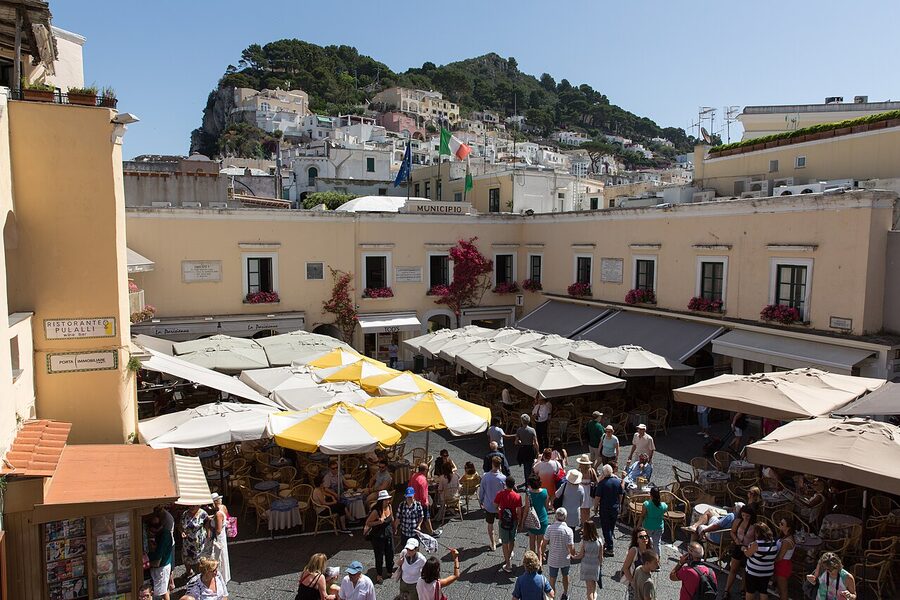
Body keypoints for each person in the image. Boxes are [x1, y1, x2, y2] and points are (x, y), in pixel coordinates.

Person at [725, 505, 757, 598]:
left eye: (747, 516)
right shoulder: (738, 521)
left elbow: (756, 539)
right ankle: (727, 590)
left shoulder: (754, 526)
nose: (745, 518)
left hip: (748, 548)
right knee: (733, 569)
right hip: (738, 547)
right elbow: (732, 532)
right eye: (743, 515)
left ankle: (743, 590)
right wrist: (736, 540)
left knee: (745, 571)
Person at [363, 489, 395, 583]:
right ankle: (379, 574)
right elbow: (368, 523)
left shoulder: (389, 506)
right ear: (381, 500)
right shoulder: (376, 511)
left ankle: (389, 571)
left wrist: (394, 527)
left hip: (388, 534)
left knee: (390, 553)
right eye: (385, 499)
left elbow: (391, 517)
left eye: (388, 499)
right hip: (378, 536)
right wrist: (378, 522)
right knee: (379, 556)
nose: (388, 501)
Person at [478, 455, 507, 551]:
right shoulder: (503, 478)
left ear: (492, 464)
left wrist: (481, 500)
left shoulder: (485, 477)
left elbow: (482, 490)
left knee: (490, 524)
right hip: (500, 505)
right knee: (501, 522)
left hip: (489, 505)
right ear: (500, 465)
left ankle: (493, 543)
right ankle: (501, 538)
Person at [545, 508, 576, 600]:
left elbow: (544, 542)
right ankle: (565, 594)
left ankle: (552, 596)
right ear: (565, 517)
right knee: (565, 575)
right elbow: (571, 547)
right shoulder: (569, 530)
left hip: (553, 558)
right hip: (564, 558)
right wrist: (572, 554)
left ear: (555, 516)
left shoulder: (549, 528)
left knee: (552, 578)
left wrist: (542, 553)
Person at [744, 522, 779, 600]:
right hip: (767, 572)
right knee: (763, 591)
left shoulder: (755, 544)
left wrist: (744, 549)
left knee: (750, 591)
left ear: (757, 533)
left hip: (753, 572)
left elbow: (747, 554)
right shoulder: (773, 543)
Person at [495, 475, 522, 572]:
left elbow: (495, 505)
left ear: (505, 484)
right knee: (512, 540)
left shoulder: (500, 494)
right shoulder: (517, 496)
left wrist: (499, 511)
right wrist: (519, 522)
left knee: (504, 542)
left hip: (503, 520)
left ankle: (508, 564)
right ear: (514, 485)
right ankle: (510, 555)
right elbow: (519, 511)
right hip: (513, 520)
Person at [595, 464, 622, 556]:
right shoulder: (617, 482)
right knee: (611, 526)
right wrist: (620, 504)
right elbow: (621, 494)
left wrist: (595, 508)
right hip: (615, 507)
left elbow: (597, 497)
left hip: (605, 508)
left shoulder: (602, 483)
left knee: (606, 528)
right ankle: (608, 541)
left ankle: (610, 547)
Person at [523, 475, 550, 565]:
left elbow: (526, 508)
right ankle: (540, 560)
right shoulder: (545, 492)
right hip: (543, 519)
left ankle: (531, 561)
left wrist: (522, 521)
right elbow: (546, 506)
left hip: (532, 520)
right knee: (540, 543)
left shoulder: (528, 494)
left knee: (532, 542)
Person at [574, 521, 603, 600]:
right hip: (595, 565)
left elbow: (580, 555)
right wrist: (600, 565)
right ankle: (594, 597)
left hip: (586, 565)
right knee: (593, 585)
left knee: (589, 590)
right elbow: (601, 557)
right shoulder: (599, 541)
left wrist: (573, 556)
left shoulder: (584, 541)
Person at [180, 504, 210, 579]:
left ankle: (199, 575)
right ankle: (188, 572)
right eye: (190, 505)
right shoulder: (185, 513)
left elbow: (207, 525)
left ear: (198, 505)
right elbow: (180, 525)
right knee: (186, 557)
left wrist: (208, 537)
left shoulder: (203, 513)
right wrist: (182, 532)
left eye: (194, 506)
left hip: (198, 541)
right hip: (187, 541)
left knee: (198, 559)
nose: (191, 507)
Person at [148, 516, 173, 600]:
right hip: (162, 565)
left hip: (162, 566)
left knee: (162, 591)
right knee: (164, 589)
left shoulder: (164, 535)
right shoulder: (164, 533)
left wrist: (146, 556)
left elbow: (158, 554)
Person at [409, 463, 438, 535]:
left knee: (416, 516)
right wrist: (425, 503)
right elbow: (423, 493)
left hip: (413, 500)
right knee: (426, 516)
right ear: (425, 470)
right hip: (421, 502)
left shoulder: (414, 476)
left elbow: (409, 486)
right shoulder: (423, 480)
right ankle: (431, 532)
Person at [622, 528, 652, 598]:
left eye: (646, 536)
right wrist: (632, 582)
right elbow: (625, 568)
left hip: (645, 582)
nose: (644, 538)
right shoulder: (634, 551)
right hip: (635, 583)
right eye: (641, 537)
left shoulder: (649, 550)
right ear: (637, 540)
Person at [774, 516, 796, 600]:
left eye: (782, 524)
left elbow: (780, 557)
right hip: (783, 564)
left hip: (782, 565)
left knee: (783, 590)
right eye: (780, 522)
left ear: (788, 527)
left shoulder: (786, 541)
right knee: (780, 588)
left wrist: (769, 561)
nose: (780, 524)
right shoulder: (785, 536)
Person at [641, 486, 667, 558]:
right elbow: (664, 511)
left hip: (648, 526)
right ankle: (657, 562)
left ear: (650, 495)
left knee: (646, 543)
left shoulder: (646, 504)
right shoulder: (664, 505)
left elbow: (642, 515)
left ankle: (646, 559)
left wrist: (638, 525)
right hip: (659, 526)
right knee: (657, 544)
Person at [210, 494, 231, 583]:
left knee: (219, 557)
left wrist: (210, 525)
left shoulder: (218, 514)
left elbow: (218, 530)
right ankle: (224, 576)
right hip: (223, 536)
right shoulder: (223, 507)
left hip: (218, 538)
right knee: (223, 555)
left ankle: (220, 578)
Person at [515, 414, 540, 481]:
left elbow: (516, 442)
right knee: (532, 465)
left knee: (526, 467)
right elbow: (536, 442)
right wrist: (537, 451)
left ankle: (527, 482)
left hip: (523, 449)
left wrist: (520, 441)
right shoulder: (532, 430)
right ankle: (532, 480)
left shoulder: (519, 430)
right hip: (530, 449)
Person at [576, 455, 598, 525]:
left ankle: (583, 525)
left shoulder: (579, 471)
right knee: (587, 510)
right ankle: (587, 526)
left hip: (580, 490)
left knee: (582, 510)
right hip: (589, 491)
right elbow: (596, 481)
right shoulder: (591, 470)